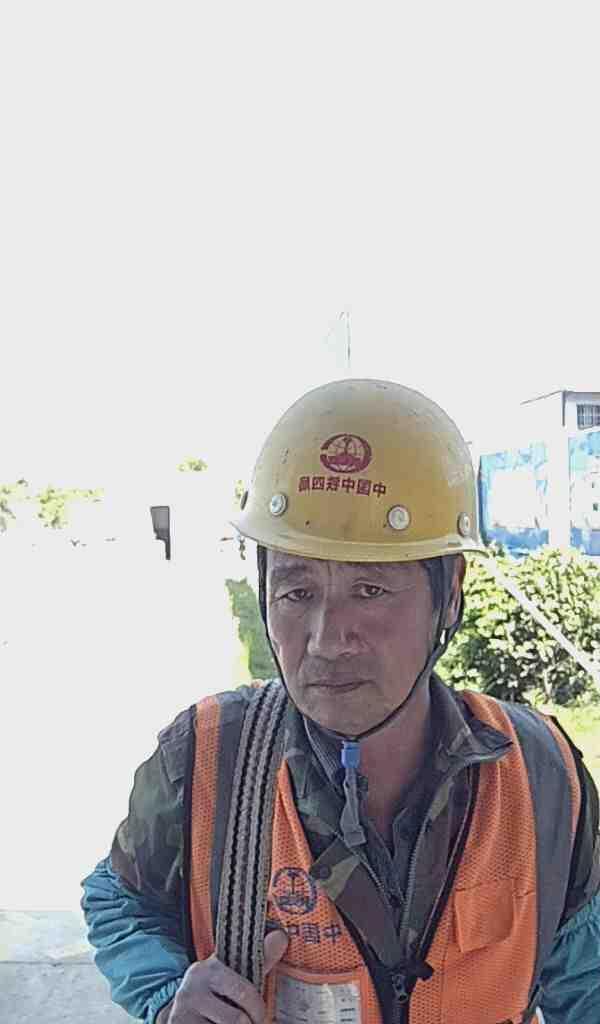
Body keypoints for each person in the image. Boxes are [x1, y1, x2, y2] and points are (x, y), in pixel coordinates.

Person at [82, 379, 600, 1024]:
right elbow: (120, 898)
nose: (327, 641)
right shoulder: (207, 758)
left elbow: (586, 972)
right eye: (297, 593)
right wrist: (167, 1000)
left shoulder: (539, 773)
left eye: (370, 590)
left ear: (449, 594)